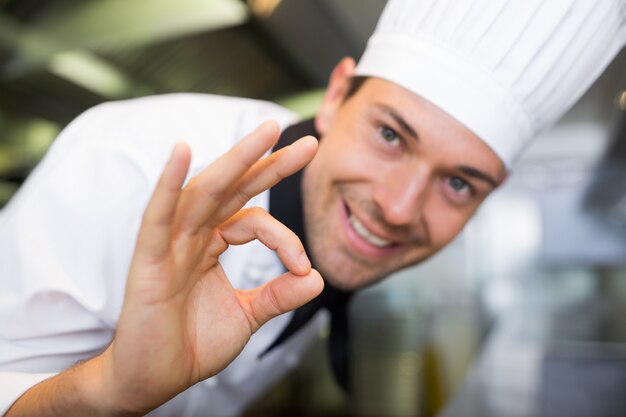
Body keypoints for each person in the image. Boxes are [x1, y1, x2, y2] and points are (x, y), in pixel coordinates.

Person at [1, 0, 625, 415]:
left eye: (460, 183)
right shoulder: (131, 167)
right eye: (390, 135)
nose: (400, 209)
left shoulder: (331, 242)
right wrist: (108, 391)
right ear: (334, 96)